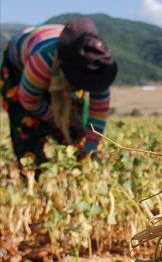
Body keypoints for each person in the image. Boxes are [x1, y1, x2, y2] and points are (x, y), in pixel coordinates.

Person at [1, 17, 118, 177]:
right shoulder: (42, 60)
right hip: (19, 66)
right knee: (27, 123)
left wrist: (90, 148)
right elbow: (29, 101)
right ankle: (34, 176)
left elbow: (97, 114)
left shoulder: (99, 65)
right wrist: (55, 120)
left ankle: (76, 168)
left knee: (76, 123)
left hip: (60, 61)